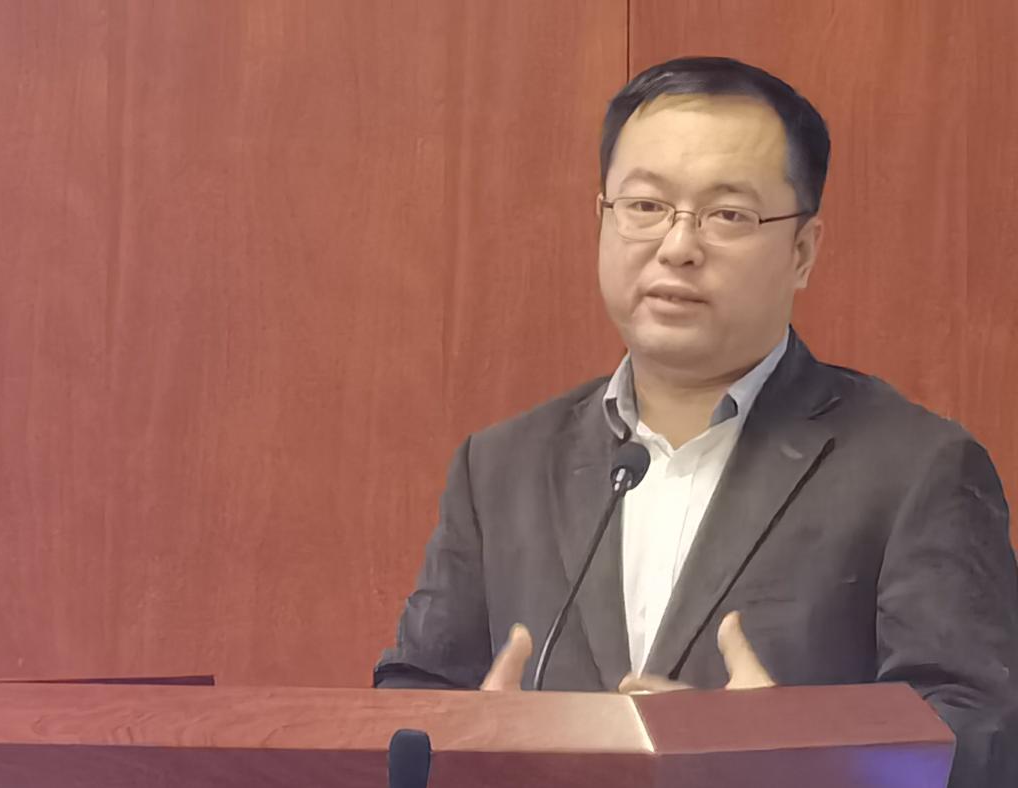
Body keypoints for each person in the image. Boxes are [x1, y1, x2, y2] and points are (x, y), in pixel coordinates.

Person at [374, 56, 1018, 786]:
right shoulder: (500, 466)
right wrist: (467, 740)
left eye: (728, 215)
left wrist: (789, 752)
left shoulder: (915, 468)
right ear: (602, 220)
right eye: (646, 206)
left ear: (802, 251)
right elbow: (406, 708)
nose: (677, 247)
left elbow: (982, 742)